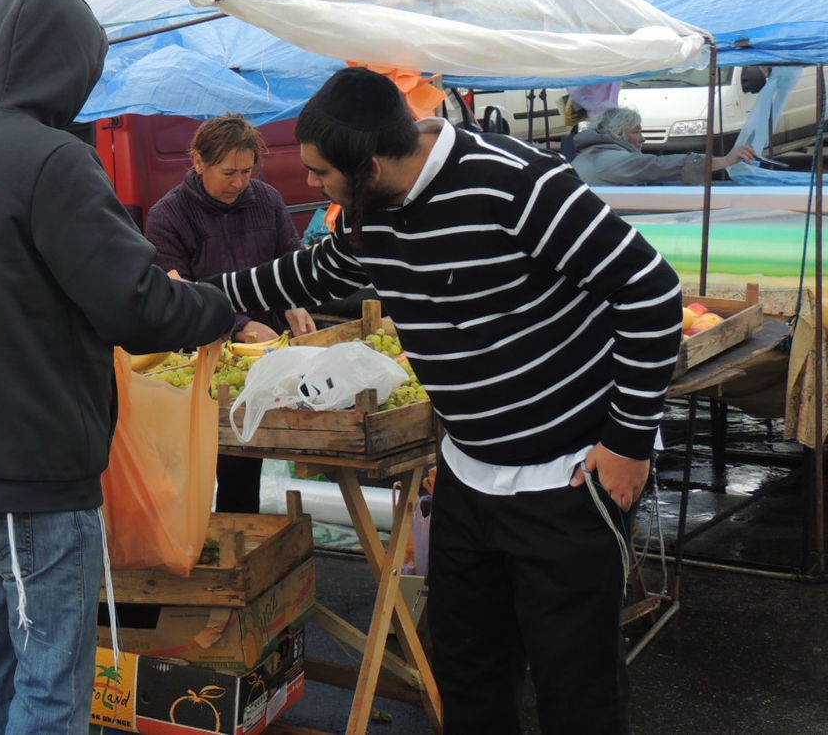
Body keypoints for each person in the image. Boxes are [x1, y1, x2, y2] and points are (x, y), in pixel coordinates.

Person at [206, 67, 684, 735]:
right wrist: (196, 298)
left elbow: (652, 294)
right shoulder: (373, 215)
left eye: (320, 174)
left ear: (368, 167)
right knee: (467, 675)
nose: (309, 185)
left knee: (575, 689)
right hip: (467, 476)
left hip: (565, 478)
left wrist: (629, 443)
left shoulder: (521, 184)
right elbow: (317, 271)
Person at [0, 0, 233, 735]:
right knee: (50, 680)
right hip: (35, 469)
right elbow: (138, 309)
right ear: (71, 64)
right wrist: (226, 300)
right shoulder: (52, 162)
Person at [145, 113, 315, 513]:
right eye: (228, 172)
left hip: (263, 360)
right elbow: (174, 295)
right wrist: (238, 325)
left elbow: (289, 259)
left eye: (247, 170)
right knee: (195, 473)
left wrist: (294, 301)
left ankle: (242, 545)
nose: (239, 182)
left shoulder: (267, 200)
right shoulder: (168, 216)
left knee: (243, 469)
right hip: (198, 363)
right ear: (198, 161)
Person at [571, 104, 755, 186]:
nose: (642, 139)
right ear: (618, 133)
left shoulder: (589, 155)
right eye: (636, 132)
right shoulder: (612, 160)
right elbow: (661, 166)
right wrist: (724, 161)